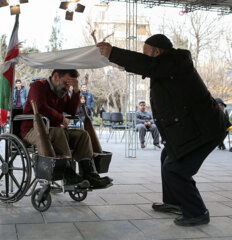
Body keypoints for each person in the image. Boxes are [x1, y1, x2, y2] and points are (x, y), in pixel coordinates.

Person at [97, 34, 231, 226]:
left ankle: (197, 212)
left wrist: (113, 53)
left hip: (207, 129)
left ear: (157, 52)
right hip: (195, 127)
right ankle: (174, 202)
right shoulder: (167, 68)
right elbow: (147, 66)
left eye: (146, 53)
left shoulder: (176, 62)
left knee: (175, 170)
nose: (144, 57)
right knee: (167, 156)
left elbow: (146, 65)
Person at [20, 69, 111, 188]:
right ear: (56, 76)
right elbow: (41, 107)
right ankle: (68, 173)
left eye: (70, 84)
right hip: (33, 130)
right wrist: (60, 118)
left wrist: (76, 90)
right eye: (66, 83)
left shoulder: (62, 92)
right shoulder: (38, 86)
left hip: (54, 131)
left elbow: (72, 110)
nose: (67, 87)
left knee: (82, 135)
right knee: (58, 132)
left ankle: (88, 173)